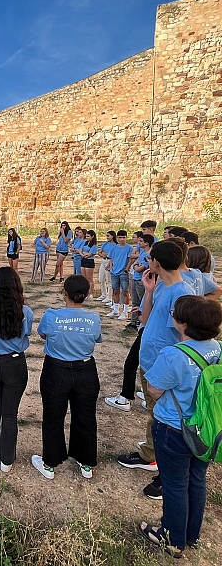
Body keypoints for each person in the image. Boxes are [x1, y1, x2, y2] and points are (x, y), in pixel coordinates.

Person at [140, 296, 222, 558]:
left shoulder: (174, 354)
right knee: (197, 480)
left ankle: (172, 538)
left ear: (182, 323)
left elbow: (153, 390)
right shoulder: (218, 349)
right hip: (206, 429)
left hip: (174, 428)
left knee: (175, 485)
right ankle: (191, 534)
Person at [117, 240, 194, 475]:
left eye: (149, 259)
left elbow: (186, 337)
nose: (146, 261)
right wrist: (149, 292)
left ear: (156, 263)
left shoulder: (182, 294)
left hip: (164, 366)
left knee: (163, 417)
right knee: (155, 412)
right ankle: (151, 452)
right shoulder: (162, 286)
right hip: (150, 360)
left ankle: (157, 461)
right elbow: (146, 319)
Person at [32, 275, 102, 480]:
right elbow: (96, 338)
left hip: (56, 370)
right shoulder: (94, 318)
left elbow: (42, 334)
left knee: (53, 417)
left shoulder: (51, 316)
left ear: (64, 293)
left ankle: (50, 463)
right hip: (86, 370)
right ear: (87, 294)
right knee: (86, 417)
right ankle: (86, 462)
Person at [0, 267, 33, 473]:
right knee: (9, 414)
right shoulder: (25, 312)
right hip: (15, 364)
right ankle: (7, 460)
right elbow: (26, 333)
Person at [106, 230, 133, 320]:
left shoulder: (129, 248)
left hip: (123, 272)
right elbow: (111, 258)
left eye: (123, 237)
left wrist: (126, 269)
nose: (122, 239)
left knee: (125, 291)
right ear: (117, 238)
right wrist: (110, 267)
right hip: (114, 272)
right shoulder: (115, 248)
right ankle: (115, 309)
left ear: (126, 237)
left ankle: (125, 311)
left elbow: (130, 259)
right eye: (120, 237)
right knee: (115, 291)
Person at [128, 234, 153, 329]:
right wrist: (136, 266)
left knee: (141, 301)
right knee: (134, 301)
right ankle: (133, 322)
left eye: (141, 241)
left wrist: (136, 266)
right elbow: (136, 263)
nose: (139, 243)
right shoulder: (142, 252)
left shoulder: (148, 254)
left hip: (141, 281)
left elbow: (139, 268)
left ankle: (141, 321)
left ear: (146, 243)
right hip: (135, 278)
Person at [97, 230, 117, 303]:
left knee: (109, 280)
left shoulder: (115, 245)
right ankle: (103, 294)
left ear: (112, 236)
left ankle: (109, 296)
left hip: (109, 261)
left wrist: (106, 255)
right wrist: (104, 255)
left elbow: (111, 255)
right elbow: (99, 252)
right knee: (101, 279)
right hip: (103, 260)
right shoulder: (105, 243)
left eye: (108, 236)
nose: (107, 237)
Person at [80, 230, 98, 299]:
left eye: (88, 236)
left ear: (92, 236)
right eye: (86, 236)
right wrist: (83, 254)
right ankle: (85, 292)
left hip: (89, 261)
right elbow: (80, 251)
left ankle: (90, 293)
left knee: (89, 278)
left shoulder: (94, 245)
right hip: (83, 260)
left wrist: (84, 254)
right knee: (84, 278)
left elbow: (90, 254)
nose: (87, 237)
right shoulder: (85, 243)